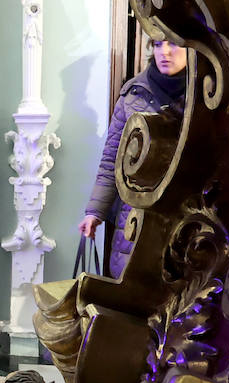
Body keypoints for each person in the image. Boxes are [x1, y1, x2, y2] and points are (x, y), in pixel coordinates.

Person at [78, 39, 188, 277]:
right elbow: (111, 159)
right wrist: (94, 212)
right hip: (135, 213)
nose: (165, 52)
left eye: (175, 44)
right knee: (130, 285)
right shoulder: (133, 93)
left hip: (183, 213)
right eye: (158, 44)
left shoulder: (204, 93)